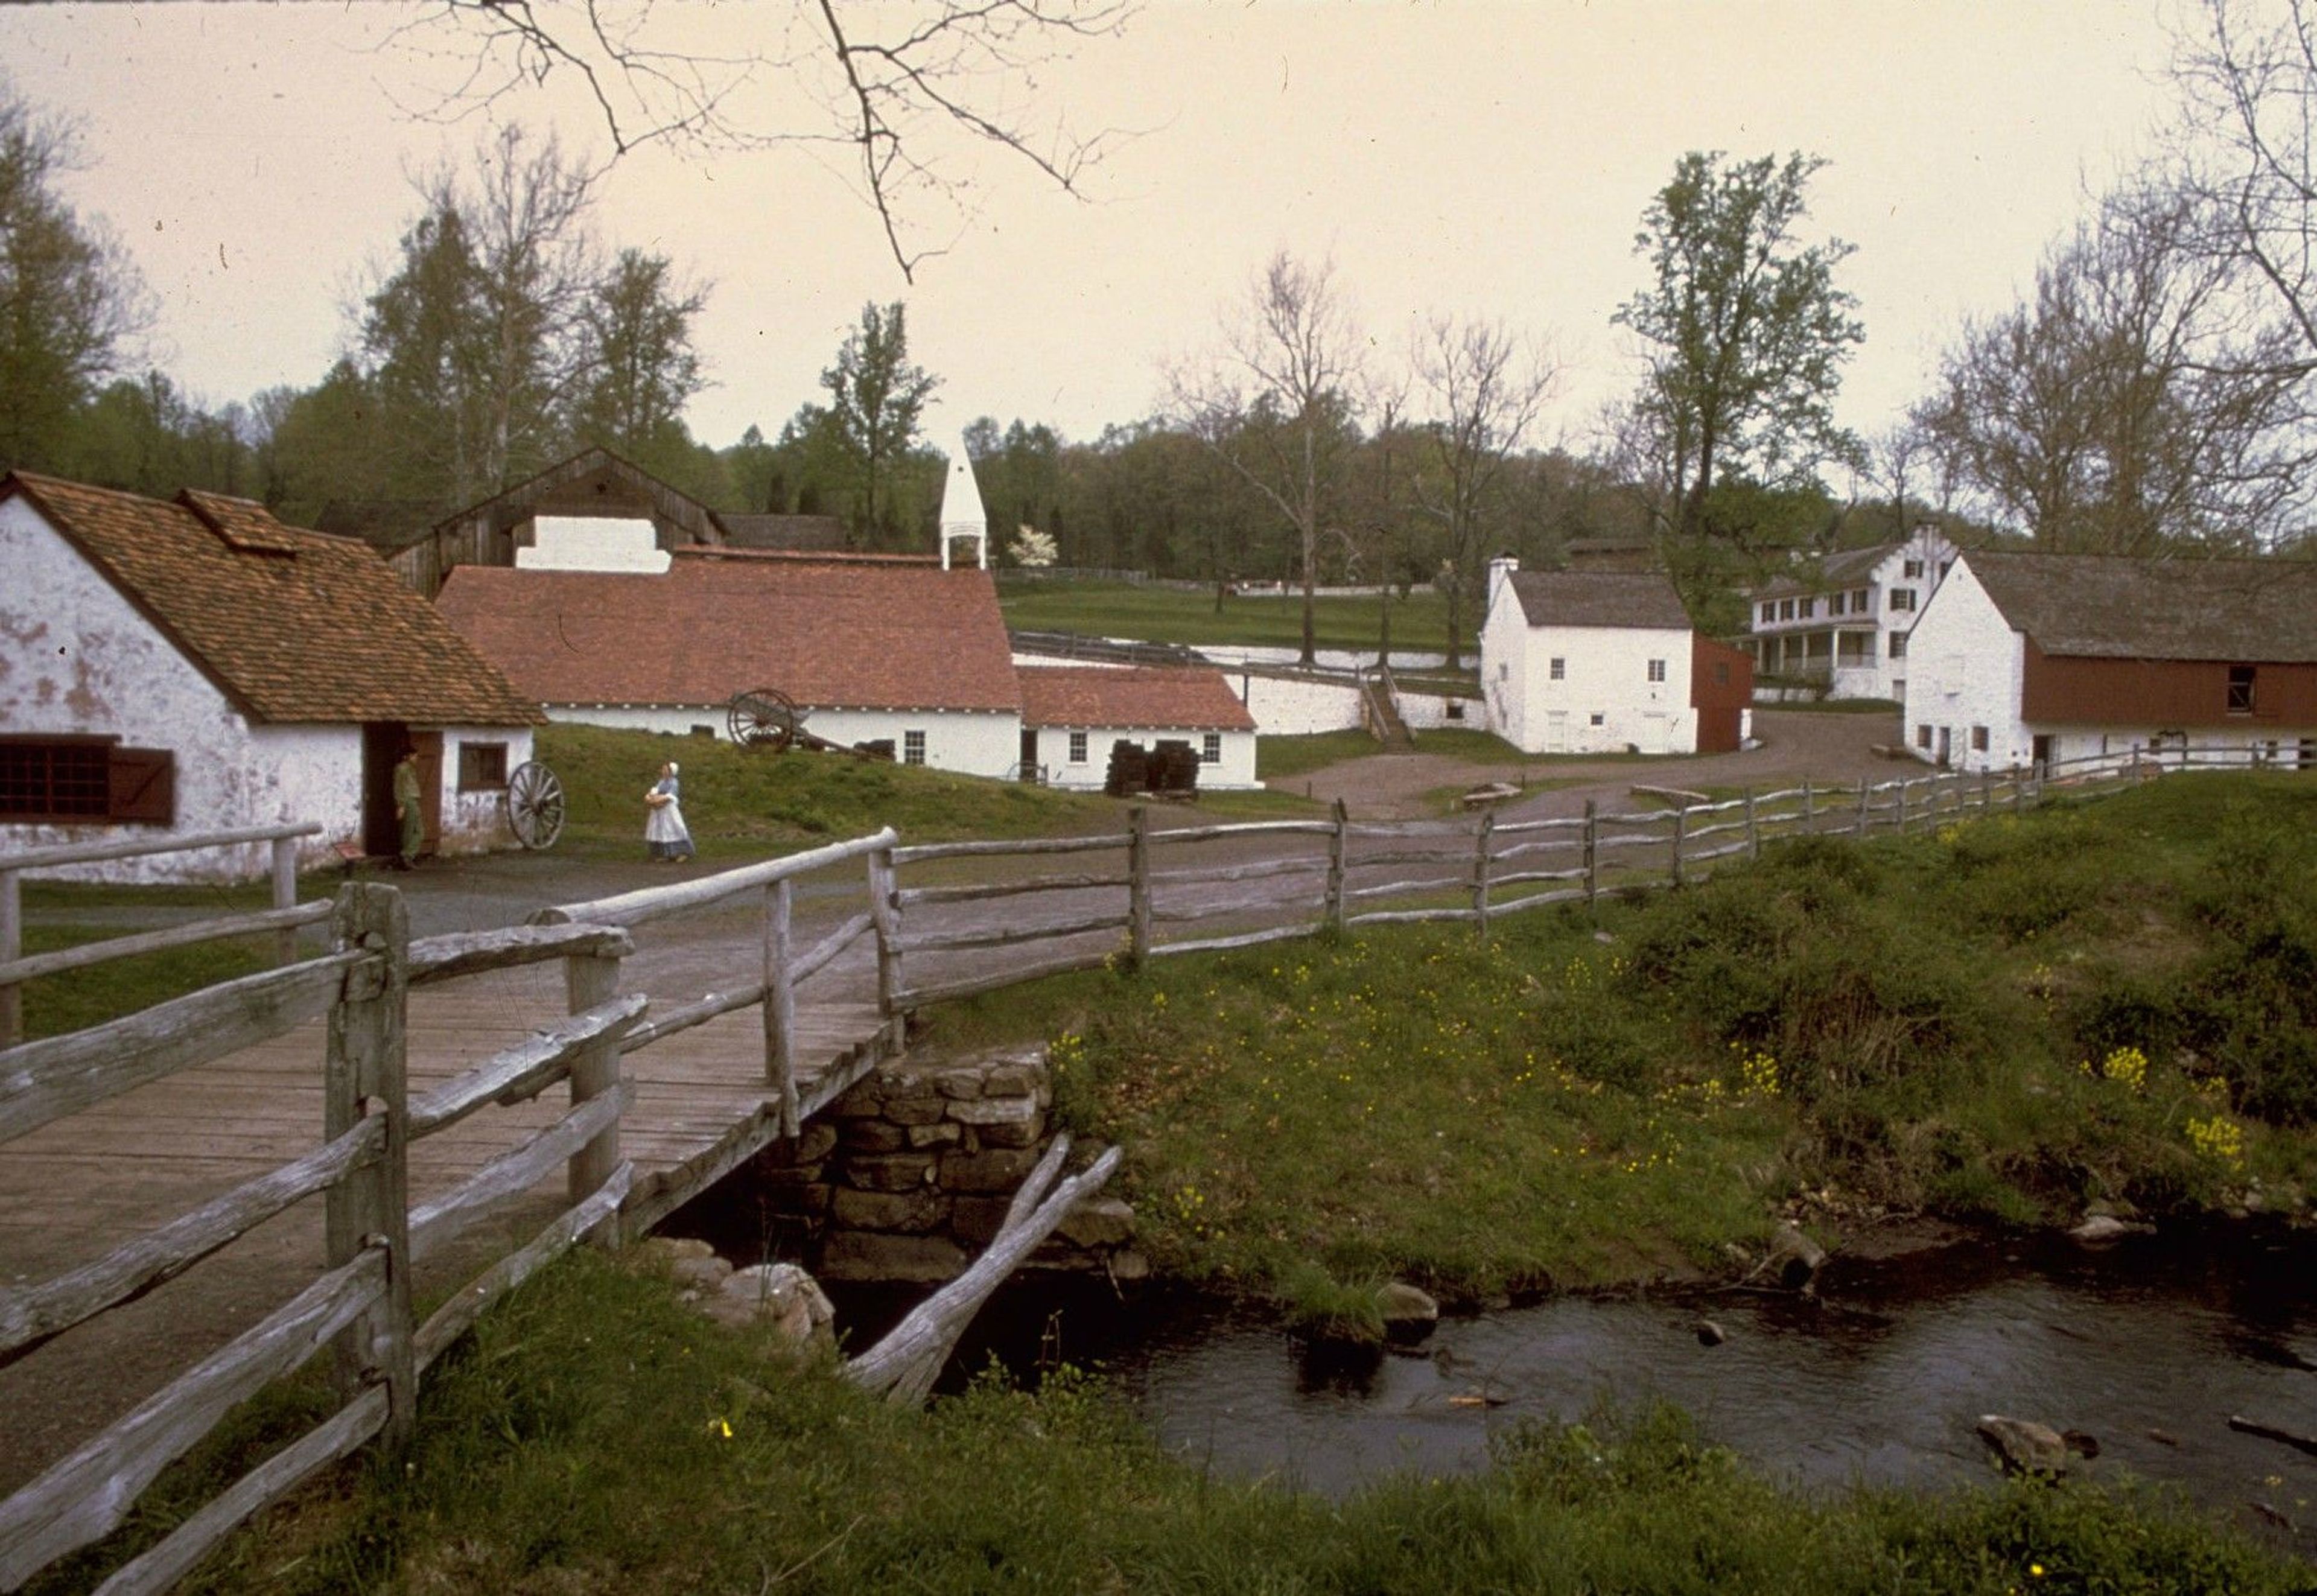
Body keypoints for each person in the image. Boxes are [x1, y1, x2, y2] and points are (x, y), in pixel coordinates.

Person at [644, 760, 694, 862]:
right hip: (659, 810)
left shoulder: (674, 782)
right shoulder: (661, 782)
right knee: (661, 830)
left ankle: (682, 852)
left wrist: (657, 800)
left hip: (669, 810)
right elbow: (655, 791)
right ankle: (665, 854)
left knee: (674, 829)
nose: (663, 771)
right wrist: (650, 798)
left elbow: (670, 796)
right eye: (663, 769)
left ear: (671, 771)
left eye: (666, 769)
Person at [393, 746, 423, 871]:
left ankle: (407, 855)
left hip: (414, 800)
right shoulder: (402, 769)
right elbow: (399, 787)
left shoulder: (410, 769)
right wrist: (401, 805)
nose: (417, 758)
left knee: (419, 831)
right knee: (409, 831)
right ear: (407, 756)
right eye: (414, 755)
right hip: (408, 801)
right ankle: (405, 858)